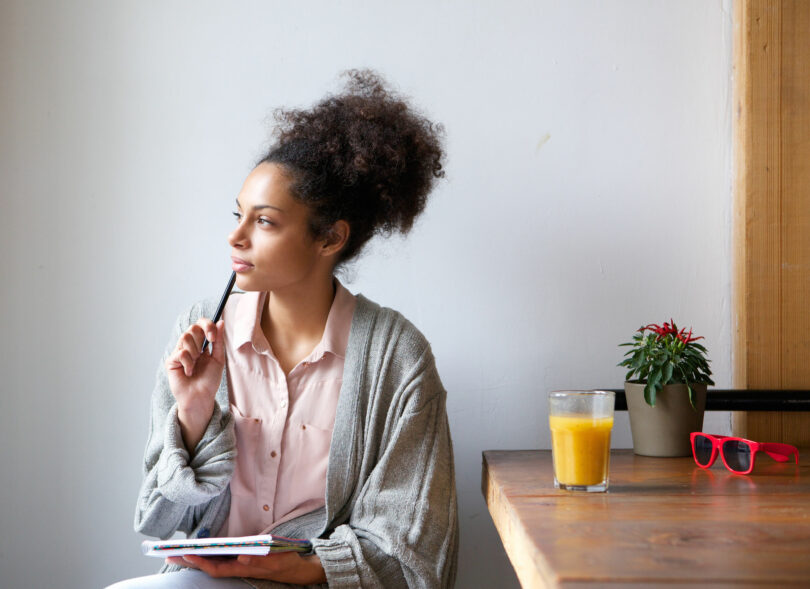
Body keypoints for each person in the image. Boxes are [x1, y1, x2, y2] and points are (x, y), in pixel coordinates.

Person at [107, 70, 458, 589]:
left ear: (330, 238)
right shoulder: (201, 333)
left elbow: (412, 547)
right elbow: (158, 520)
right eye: (238, 215)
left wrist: (307, 567)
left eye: (265, 222)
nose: (236, 236)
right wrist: (194, 413)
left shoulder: (397, 357)